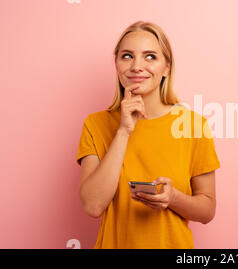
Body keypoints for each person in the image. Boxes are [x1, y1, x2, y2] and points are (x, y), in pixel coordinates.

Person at [75, 21, 220, 249]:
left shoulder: (193, 125)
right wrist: (123, 131)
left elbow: (207, 210)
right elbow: (93, 206)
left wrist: (173, 198)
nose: (137, 66)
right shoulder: (96, 124)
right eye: (127, 56)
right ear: (116, 64)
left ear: (167, 67)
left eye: (150, 56)